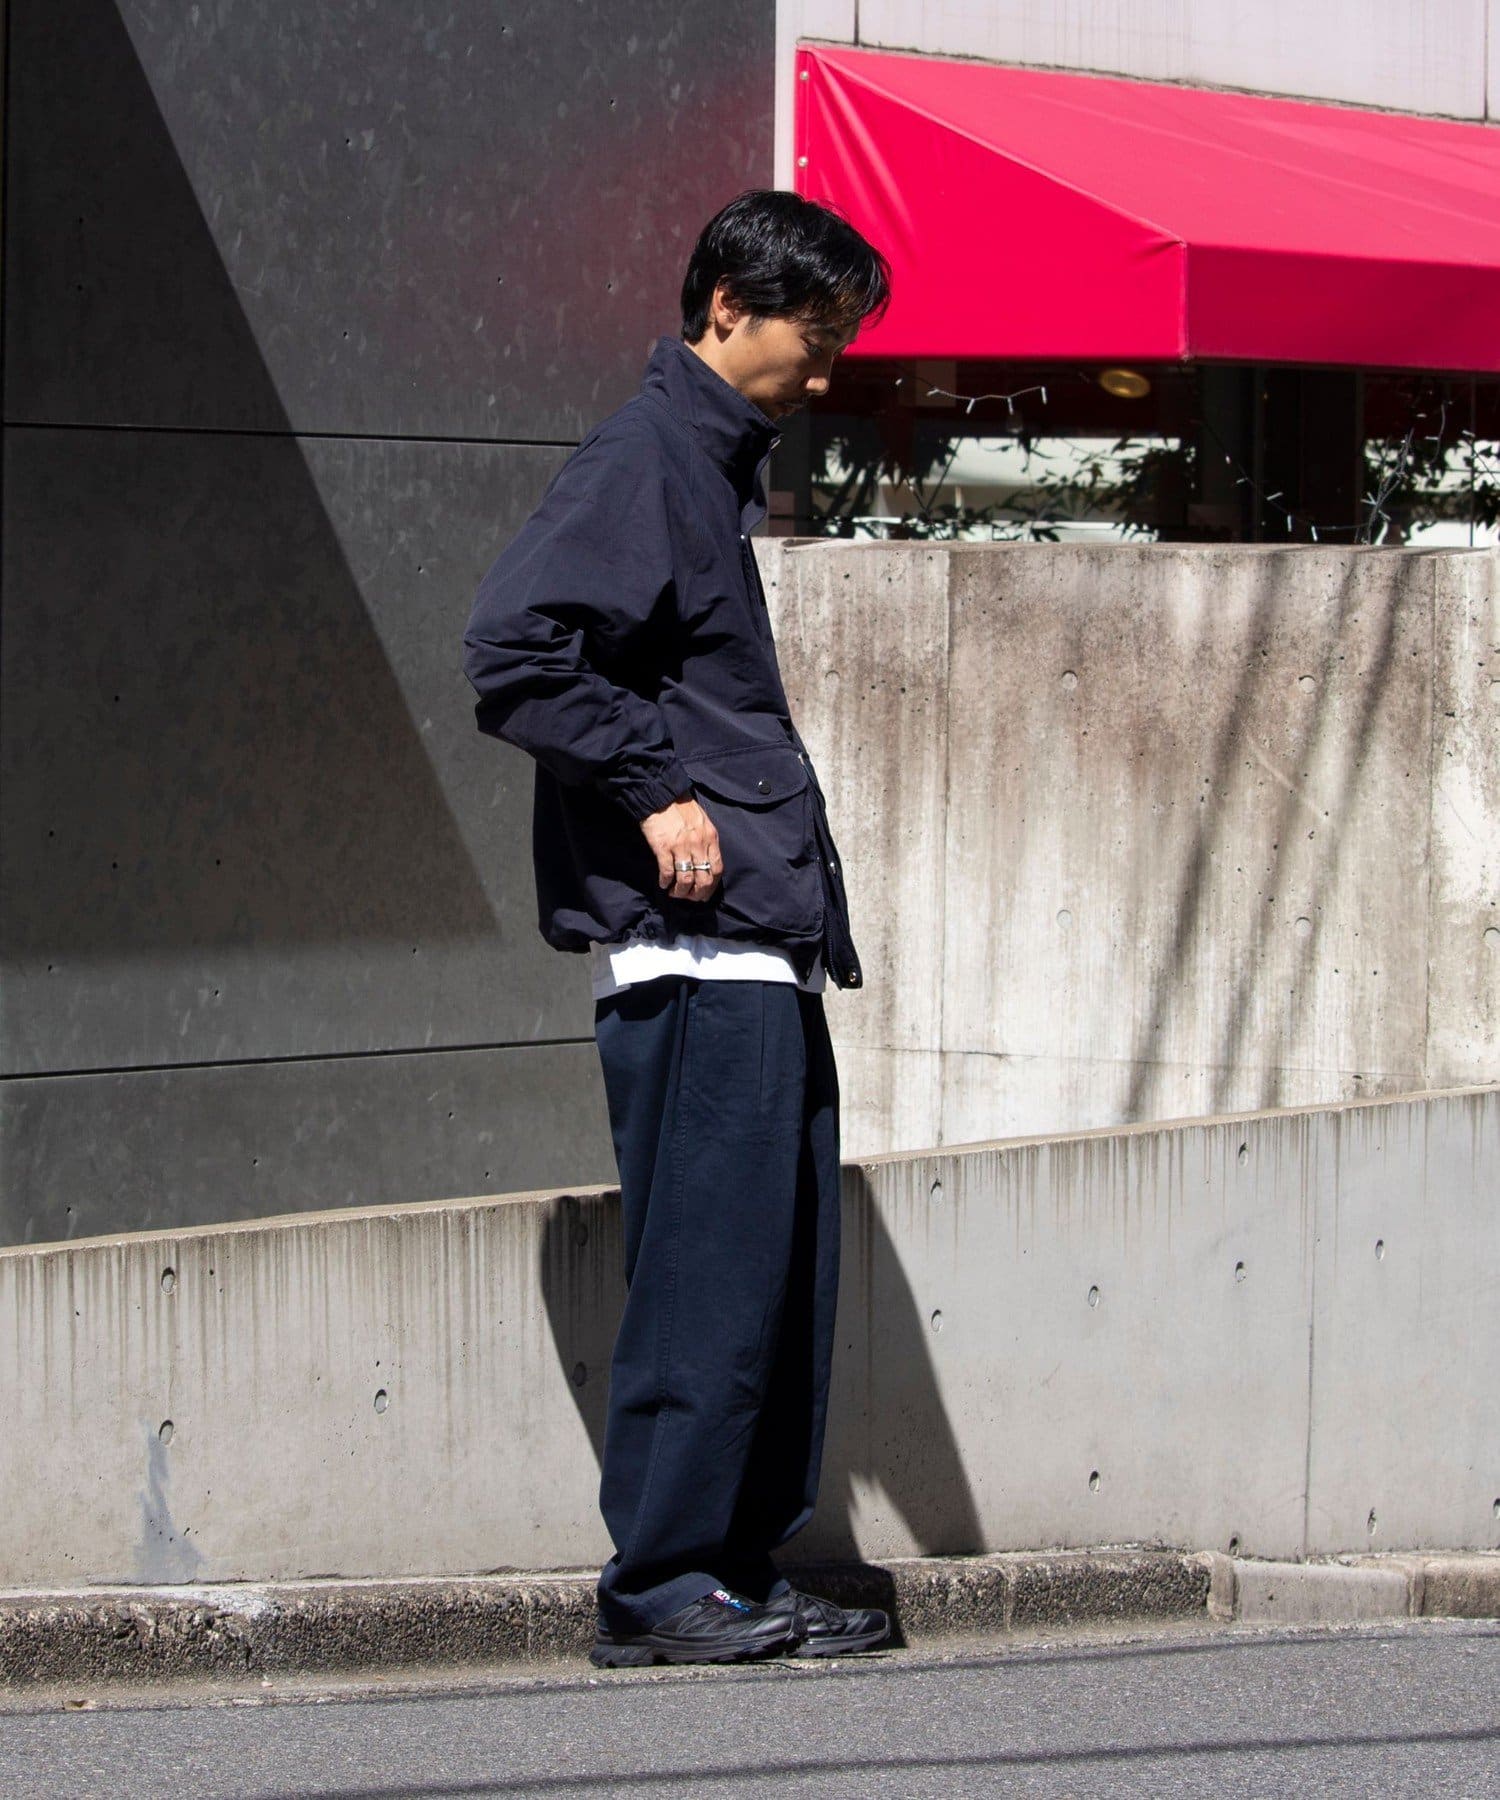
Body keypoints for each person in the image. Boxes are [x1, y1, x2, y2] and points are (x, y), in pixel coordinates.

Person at [462, 189, 891, 1668]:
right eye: (815, 335)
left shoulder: (708, 470)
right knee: (709, 1280)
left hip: (752, 938)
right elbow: (512, 650)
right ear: (727, 306)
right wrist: (656, 790)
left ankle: (734, 1571)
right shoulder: (646, 456)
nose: (827, 368)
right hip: (693, 949)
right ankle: (659, 1587)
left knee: (774, 1278)